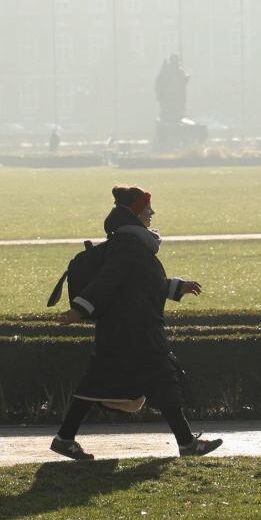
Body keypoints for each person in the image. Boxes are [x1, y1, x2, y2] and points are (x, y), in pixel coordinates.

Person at [52, 185, 223, 460]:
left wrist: (178, 287)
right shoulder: (130, 245)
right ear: (136, 213)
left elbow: (144, 284)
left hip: (128, 331)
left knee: (98, 385)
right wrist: (78, 311)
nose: (152, 213)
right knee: (161, 382)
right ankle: (188, 444)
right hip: (133, 332)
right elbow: (106, 281)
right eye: (147, 208)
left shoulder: (132, 243)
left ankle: (64, 438)